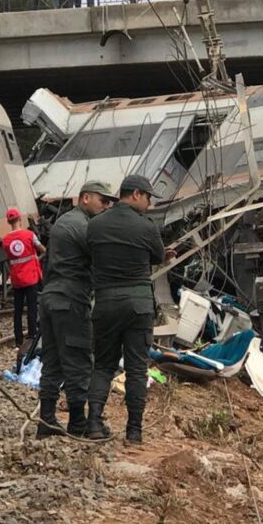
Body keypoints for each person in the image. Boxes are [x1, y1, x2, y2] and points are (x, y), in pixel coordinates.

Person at [86, 174, 173, 444]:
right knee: (136, 369)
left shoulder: (95, 224)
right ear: (135, 194)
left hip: (106, 303)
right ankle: (134, 432)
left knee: (103, 365)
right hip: (138, 305)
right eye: (147, 197)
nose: (149, 204)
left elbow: (91, 254)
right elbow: (158, 256)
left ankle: (93, 423)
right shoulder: (146, 226)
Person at [37, 181, 116, 438]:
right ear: (85, 198)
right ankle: (78, 422)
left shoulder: (64, 222)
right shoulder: (83, 226)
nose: (106, 206)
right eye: (103, 200)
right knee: (78, 360)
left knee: (52, 361)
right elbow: (102, 258)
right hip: (71, 299)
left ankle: (46, 420)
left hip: (51, 297)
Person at [3, 208, 46, 350]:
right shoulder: (29, 235)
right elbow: (41, 249)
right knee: (32, 308)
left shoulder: (6, 240)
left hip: (17, 279)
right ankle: (32, 335)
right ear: (20, 219)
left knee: (18, 310)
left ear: (8, 222)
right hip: (31, 277)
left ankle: (18, 340)